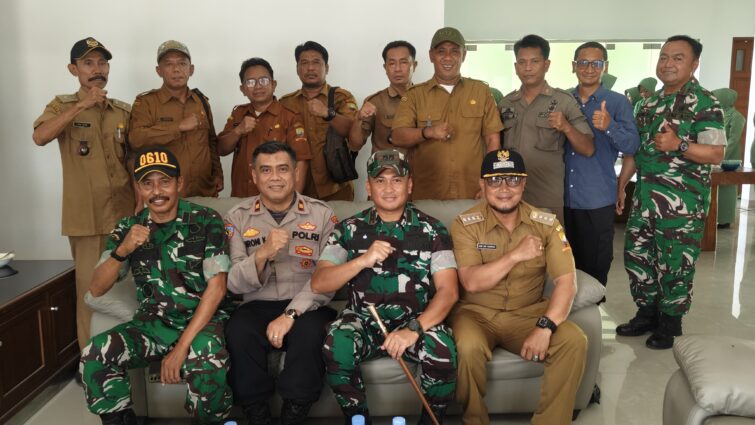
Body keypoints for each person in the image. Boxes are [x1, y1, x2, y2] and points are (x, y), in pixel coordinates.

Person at [79, 147, 233, 425]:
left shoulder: (206, 220)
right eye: (147, 183)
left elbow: (218, 288)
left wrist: (181, 348)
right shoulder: (128, 227)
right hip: (152, 324)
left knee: (206, 358)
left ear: (179, 183)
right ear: (138, 188)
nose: (157, 191)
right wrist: (123, 250)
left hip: (202, 322)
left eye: (165, 181)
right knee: (95, 352)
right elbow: (97, 288)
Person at [312, 150, 459, 425]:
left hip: (415, 320)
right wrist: (362, 260)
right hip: (363, 322)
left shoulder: (433, 230)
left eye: (396, 180)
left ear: (409, 185)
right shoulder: (348, 229)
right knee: (337, 341)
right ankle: (358, 420)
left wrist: (412, 330)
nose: (389, 188)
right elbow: (320, 282)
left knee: (442, 347)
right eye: (380, 181)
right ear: (368, 187)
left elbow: (449, 291)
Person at [449, 149, 587, 425]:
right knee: (468, 347)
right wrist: (515, 256)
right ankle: (474, 420)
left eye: (512, 180)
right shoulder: (465, 224)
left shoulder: (546, 224)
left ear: (523, 183)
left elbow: (566, 282)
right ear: (482, 185)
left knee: (574, 340)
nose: (504, 189)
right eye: (494, 180)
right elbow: (471, 282)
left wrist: (545, 327)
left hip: (527, 313)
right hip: (476, 314)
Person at [616, 35, 725, 350]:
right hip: (645, 199)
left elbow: (716, 154)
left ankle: (670, 322)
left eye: (678, 58)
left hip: (682, 206)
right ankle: (646, 313)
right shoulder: (645, 104)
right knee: (637, 256)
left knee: (675, 264)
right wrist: (621, 185)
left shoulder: (705, 103)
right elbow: (634, 152)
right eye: (664, 57)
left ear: (694, 64)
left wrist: (680, 144)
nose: (668, 63)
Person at [223, 141, 338, 425]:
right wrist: (262, 253)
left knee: (310, 332)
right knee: (238, 329)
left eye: (283, 169)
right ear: (254, 175)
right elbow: (233, 283)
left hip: (308, 303)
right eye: (266, 170)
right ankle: (256, 412)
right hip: (257, 303)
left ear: (296, 173)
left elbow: (328, 279)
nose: (275, 177)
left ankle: (294, 412)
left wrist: (290, 314)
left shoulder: (323, 214)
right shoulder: (237, 216)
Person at [32, 37, 135, 350]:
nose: (97, 69)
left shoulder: (123, 111)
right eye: (88, 63)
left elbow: (133, 161)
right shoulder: (61, 105)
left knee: (129, 289)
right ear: (73, 69)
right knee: (90, 293)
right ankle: (90, 360)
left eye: (102, 63)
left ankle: (127, 356)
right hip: (86, 219)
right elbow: (40, 136)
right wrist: (81, 105)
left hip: (125, 216)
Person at [392, 27, 502, 200]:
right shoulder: (414, 95)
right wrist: (428, 132)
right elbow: (397, 136)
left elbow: (493, 140)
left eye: (455, 51)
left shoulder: (481, 91)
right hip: (427, 195)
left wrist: (490, 182)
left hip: (473, 193)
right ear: (431, 56)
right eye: (441, 51)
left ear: (464, 55)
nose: (448, 57)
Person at [498, 34, 594, 224]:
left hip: (547, 197)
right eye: (522, 62)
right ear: (516, 67)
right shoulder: (506, 103)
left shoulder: (563, 101)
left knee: (550, 242)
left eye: (534, 61)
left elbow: (588, 148)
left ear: (546, 65)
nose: (528, 68)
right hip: (509, 195)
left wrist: (566, 127)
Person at [566, 42, 640, 287]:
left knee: (596, 262)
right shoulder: (563, 99)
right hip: (562, 197)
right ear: (573, 66)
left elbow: (632, 146)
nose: (589, 69)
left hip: (596, 197)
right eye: (583, 63)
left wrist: (609, 126)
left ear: (605, 67)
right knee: (563, 264)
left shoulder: (617, 102)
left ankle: (594, 308)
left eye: (596, 63)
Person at [129, 40, 223, 198]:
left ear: (191, 69)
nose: (176, 69)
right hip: (168, 195)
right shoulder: (146, 103)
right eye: (169, 64)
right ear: (159, 71)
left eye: (182, 63)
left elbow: (211, 141)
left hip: (205, 190)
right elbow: (136, 139)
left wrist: (218, 173)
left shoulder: (201, 101)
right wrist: (178, 127)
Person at [218, 58, 311, 198]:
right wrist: (238, 131)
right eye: (250, 82)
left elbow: (301, 161)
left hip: (276, 198)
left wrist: (294, 200)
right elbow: (221, 149)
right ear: (243, 89)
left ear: (273, 84)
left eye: (264, 80)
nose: (258, 86)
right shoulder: (238, 114)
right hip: (241, 197)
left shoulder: (290, 117)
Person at [280, 41, 358, 201]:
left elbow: (353, 132)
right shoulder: (286, 103)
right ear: (297, 69)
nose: (310, 68)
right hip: (298, 187)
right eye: (304, 63)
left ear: (326, 68)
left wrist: (328, 113)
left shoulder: (341, 97)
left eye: (316, 62)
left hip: (336, 187)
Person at [349, 40, 417, 154]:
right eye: (392, 64)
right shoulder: (374, 102)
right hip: (387, 165)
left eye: (403, 62)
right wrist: (358, 119)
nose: (397, 69)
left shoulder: (427, 98)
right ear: (385, 68)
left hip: (421, 165)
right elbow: (354, 146)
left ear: (414, 65)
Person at [711, 88, 745, 228]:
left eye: (717, 98)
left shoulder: (737, 117)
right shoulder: (719, 114)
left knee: (727, 187)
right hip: (716, 155)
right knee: (716, 187)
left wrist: (721, 155)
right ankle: (715, 217)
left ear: (725, 99)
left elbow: (733, 139)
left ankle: (725, 220)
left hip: (729, 157)